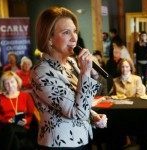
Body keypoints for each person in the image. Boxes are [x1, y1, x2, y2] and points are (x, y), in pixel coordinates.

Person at [31, 6, 107, 149]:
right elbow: (76, 112)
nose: (74, 38)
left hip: (81, 138)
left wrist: (92, 115)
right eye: (66, 32)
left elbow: (79, 99)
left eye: (74, 31)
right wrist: (85, 73)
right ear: (49, 38)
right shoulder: (41, 72)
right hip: (60, 144)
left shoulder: (71, 62)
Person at [0, 71, 36, 150]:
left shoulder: (26, 96)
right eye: (6, 83)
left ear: (17, 82)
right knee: (13, 134)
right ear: (3, 85)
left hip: (21, 126)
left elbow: (30, 113)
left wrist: (26, 121)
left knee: (12, 132)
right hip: (2, 127)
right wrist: (7, 121)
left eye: (12, 82)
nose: (10, 85)